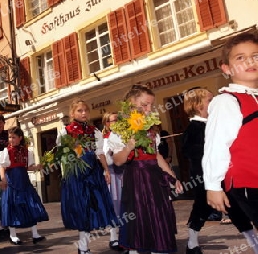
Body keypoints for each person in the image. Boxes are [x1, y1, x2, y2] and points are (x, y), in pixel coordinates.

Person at [109, 84, 183, 254]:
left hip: (156, 178)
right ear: (131, 103)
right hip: (136, 180)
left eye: (151, 105)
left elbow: (156, 156)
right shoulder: (121, 130)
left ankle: (158, 248)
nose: (149, 109)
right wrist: (128, 147)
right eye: (145, 104)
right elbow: (118, 161)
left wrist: (172, 176)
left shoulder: (151, 129)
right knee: (140, 218)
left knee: (160, 217)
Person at [202, 32, 258, 252]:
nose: (250, 61)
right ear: (226, 69)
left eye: (255, 55)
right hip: (249, 182)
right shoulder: (226, 101)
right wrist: (213, 186)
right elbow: (216, 144)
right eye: (240, 58)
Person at [59, 99, 117, 254]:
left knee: (95, 207)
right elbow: (62, 155)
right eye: (80, 110)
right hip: (77, 175)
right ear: (72, 113)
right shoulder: (66, 131)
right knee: (82, 209)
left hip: (94, 174)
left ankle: (87, 246)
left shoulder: (94, 131)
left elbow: (100, 153)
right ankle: (83, 248)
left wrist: (106, 170)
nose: (84, 113)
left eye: (85, 110)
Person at [0, 126, 49, 246]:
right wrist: (3, 179)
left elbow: (27, 167)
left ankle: (35, 234)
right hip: (12, 182)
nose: (11, 139)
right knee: (12, 207)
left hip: (24, 182)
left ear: (20, 138)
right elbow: (2, 166)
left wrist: (37, 167)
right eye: (9, 137)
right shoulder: (6, 152)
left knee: (31, 206)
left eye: (14, 137)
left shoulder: (27, 151)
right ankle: (13, 235)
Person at [181, 87, 214, 254]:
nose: (213, 102)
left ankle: (250, 235)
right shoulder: (194, 128)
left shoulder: (213, 123)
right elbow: (189, 150)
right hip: (203, 175)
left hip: (220, 172)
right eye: (209, 100)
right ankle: (192, 241)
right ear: (198, 105)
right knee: (202, 206)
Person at [102, 112, 124, 251]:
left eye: (118, 120)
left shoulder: (125, 136)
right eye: (113, 120)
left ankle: (126, 235)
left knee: (125, 204)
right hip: (113, 174)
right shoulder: (105, 139)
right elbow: (106, 159)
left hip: (125, 173)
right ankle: (113, 237)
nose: (116, 122)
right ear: (107, 124)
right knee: (114, 204)